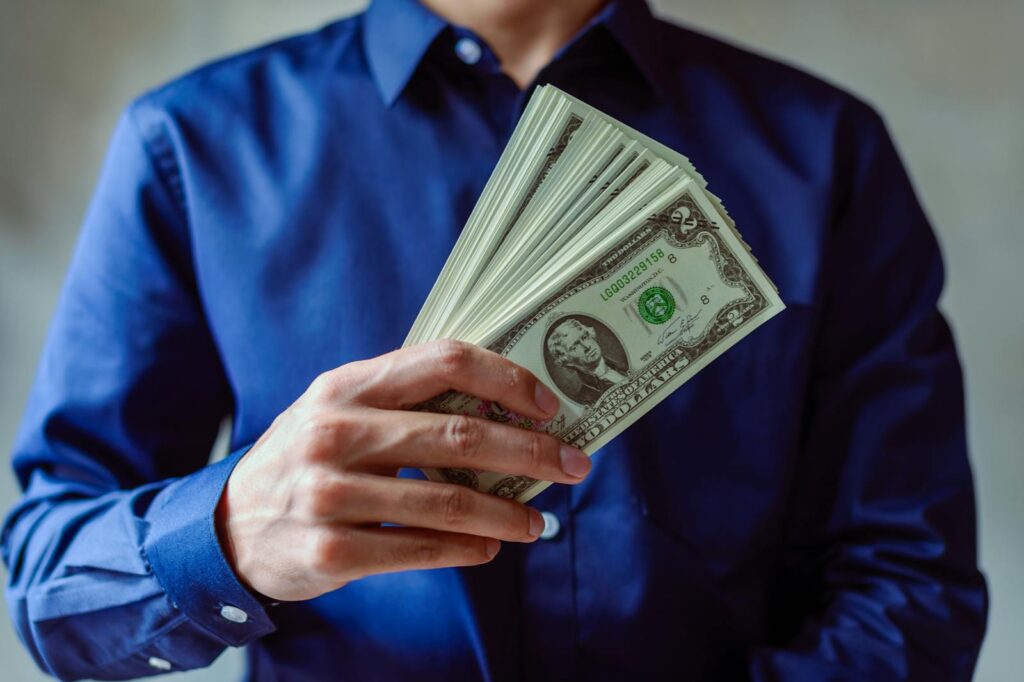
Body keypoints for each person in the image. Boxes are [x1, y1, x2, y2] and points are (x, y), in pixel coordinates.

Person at [2, 0, 987, 679]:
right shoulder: (193, 144)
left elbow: (907, 576)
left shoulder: (827, 155)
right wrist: (220, 536)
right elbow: (47, 585)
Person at [545, 317, 627, 405]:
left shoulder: (624, 365)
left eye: (584, 337)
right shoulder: (585, 400)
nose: (586, 347)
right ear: (567, 360)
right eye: (575, 347)